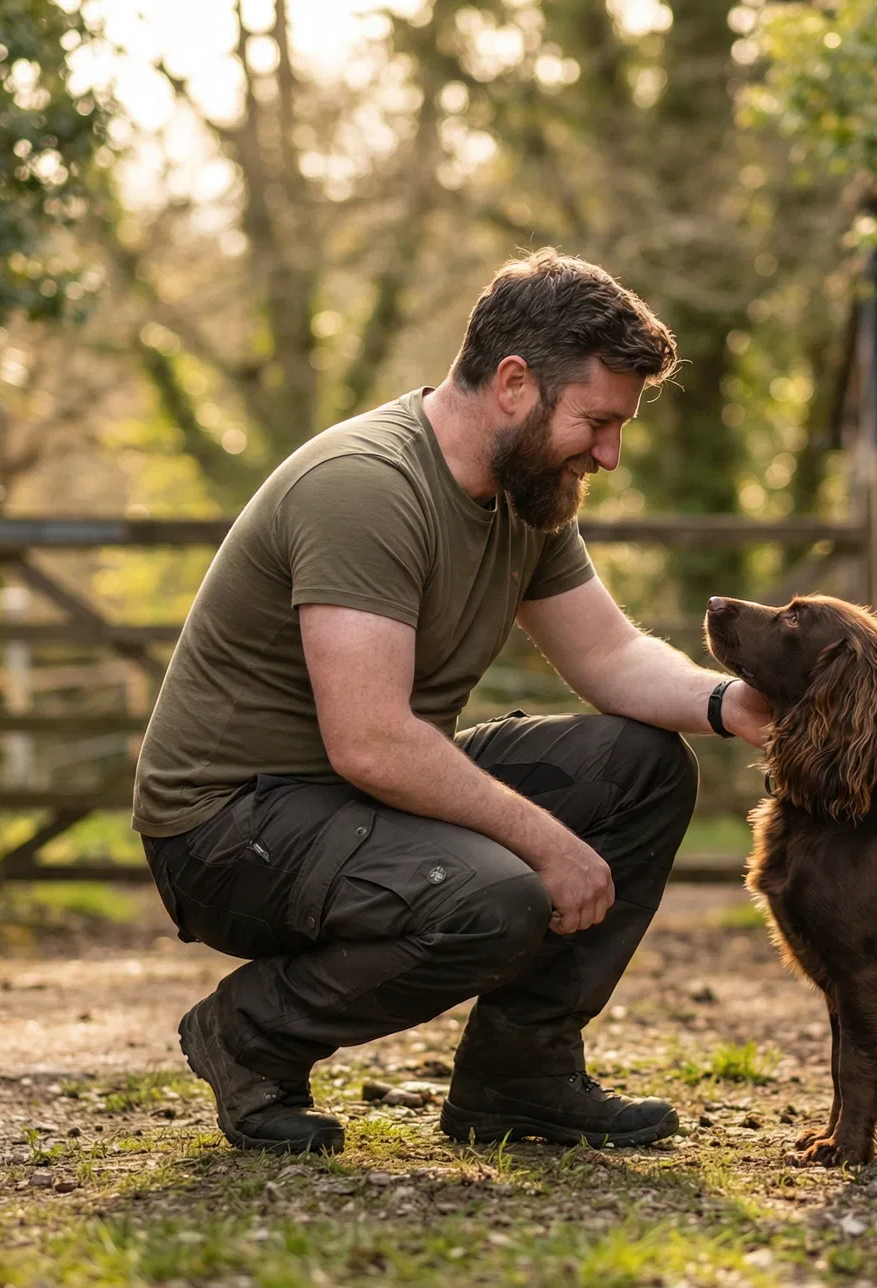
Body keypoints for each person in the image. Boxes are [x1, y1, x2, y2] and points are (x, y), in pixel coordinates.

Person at [132, 248, 772, 1154]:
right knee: (498, 897)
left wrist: (729, 703)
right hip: (230, 827)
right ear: (514, 384)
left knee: (641, 768)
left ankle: (521, 1078)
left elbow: (610, 655)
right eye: (596, 421)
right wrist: (550, 844)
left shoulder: (531, 493)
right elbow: (373, 742)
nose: (610, 454)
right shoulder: (365, 487)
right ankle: (253, 1034)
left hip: (355, 797)